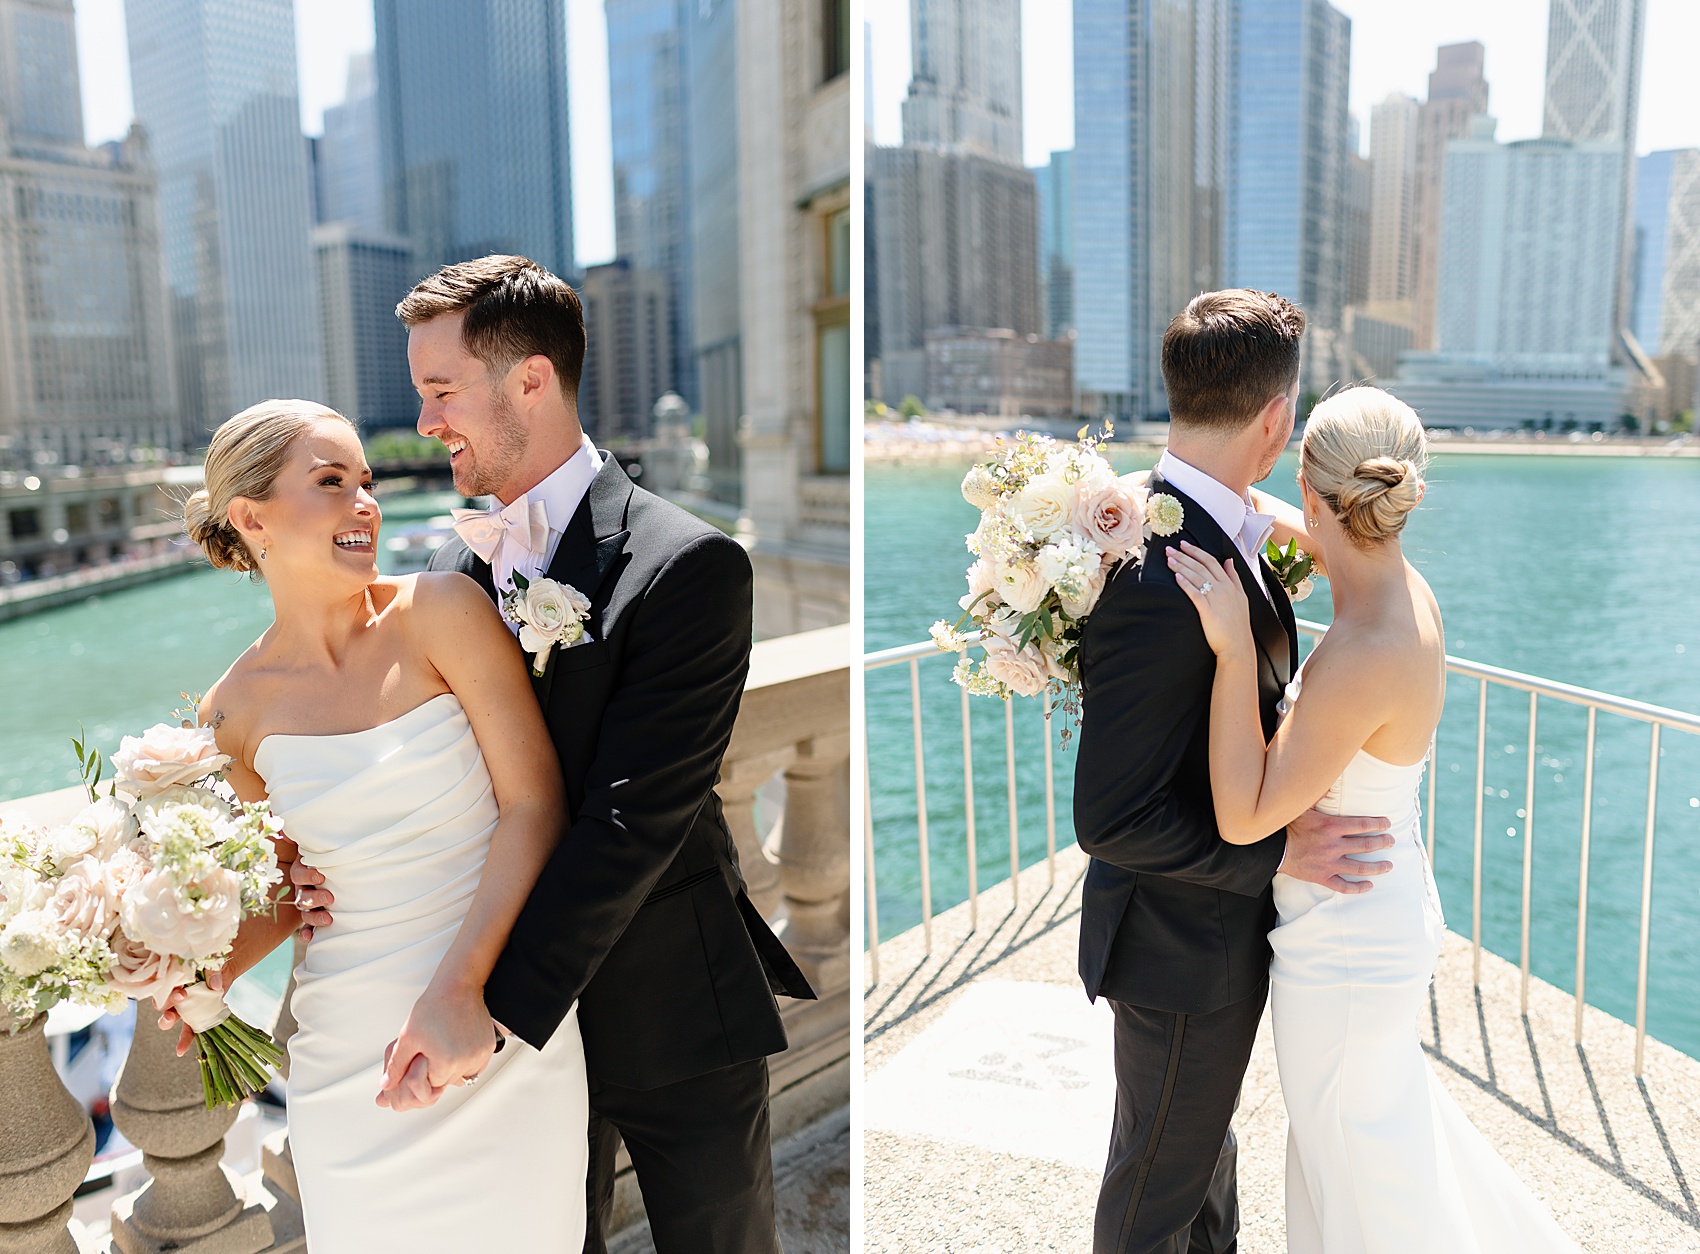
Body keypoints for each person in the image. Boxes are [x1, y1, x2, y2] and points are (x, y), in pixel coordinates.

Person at [289, 255, 815, 1254]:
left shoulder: (687, 564)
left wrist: (486, 1005)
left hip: (666, 1012)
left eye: (440, 391)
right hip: (508, 1049)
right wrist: (317, 865)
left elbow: (634, 820)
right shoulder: (447, 575)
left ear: (530, 377)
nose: (428, 421)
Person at [1167, 386, 1578, 1252]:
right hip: (1374, 910)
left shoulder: (1365, 650)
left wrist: (1236, 645)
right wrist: (1165, 494)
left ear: (1321, 494)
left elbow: (1243, 816)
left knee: (1365, 1179)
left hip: (1345, 944)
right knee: (1375, 1154)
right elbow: (1298, 525)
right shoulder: (1401, 587)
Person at [170, 399, 587, 1252]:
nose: (366, 502)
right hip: (346, 1067)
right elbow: (284, 896)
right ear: (252, 519)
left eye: (364, 481)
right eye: (330, 483)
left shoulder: (442, 611)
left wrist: (461, 991)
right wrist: (172, 964)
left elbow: (535, 807)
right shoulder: (227, 714)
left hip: (496, 1026)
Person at [1071, 289, 1399, 1254]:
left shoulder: (1195, 524)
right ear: (1277, 416)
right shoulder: (1151, 569)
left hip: (1207, 937)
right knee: (1153, 1200)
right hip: (1179, 950)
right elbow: (1113, 819)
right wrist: (1279, 849)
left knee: (1201, 1172)